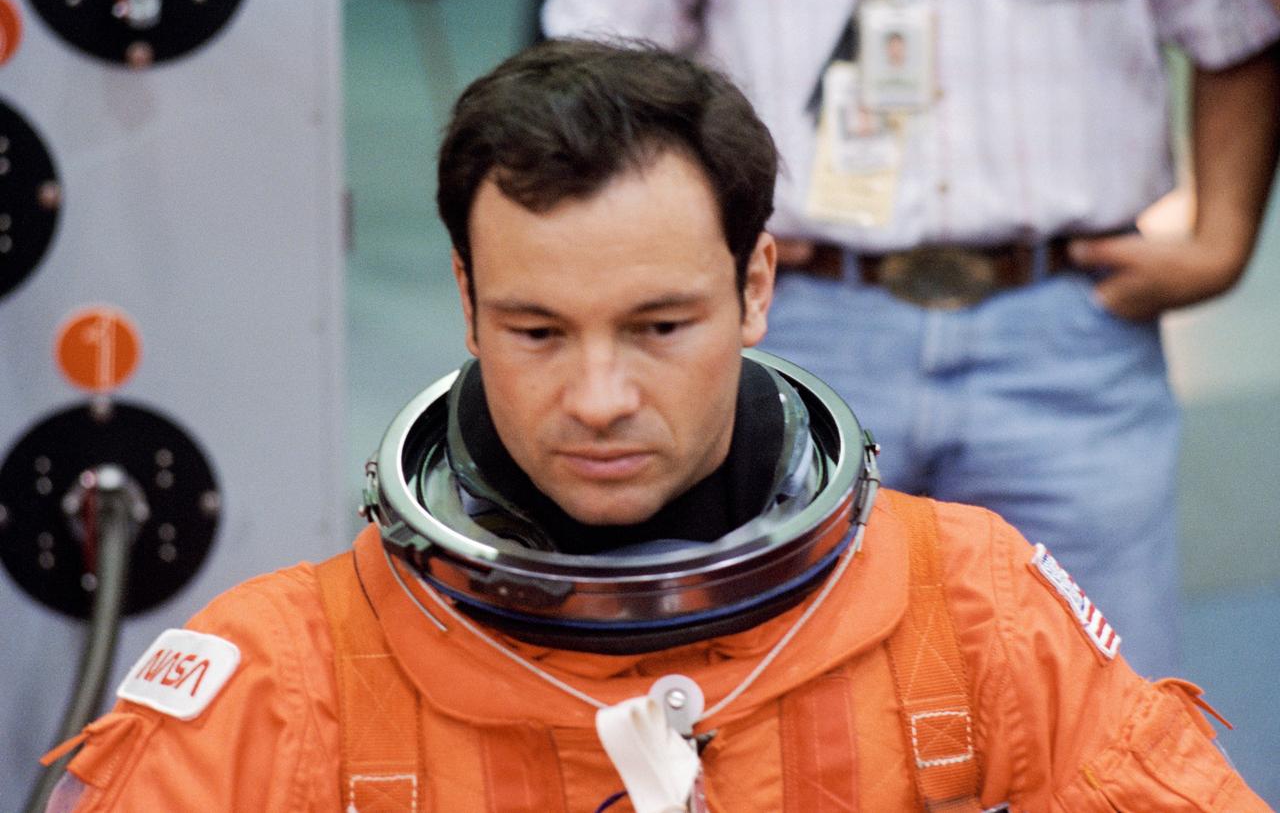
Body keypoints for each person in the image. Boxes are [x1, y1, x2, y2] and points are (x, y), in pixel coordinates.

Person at [37, 40, 1268, 812]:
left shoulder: (969, 602)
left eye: (659, 325)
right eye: (535, 330)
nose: (597, 398)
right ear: (463, 303)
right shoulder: (282, 678)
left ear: (755, 289)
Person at [541, 0, 1280, 680]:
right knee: (782, 693)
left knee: (1105, 692)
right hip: (795, 323)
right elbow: (596, 62)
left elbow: (1235, 32)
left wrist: (1224, 238)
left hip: (1066, 322)